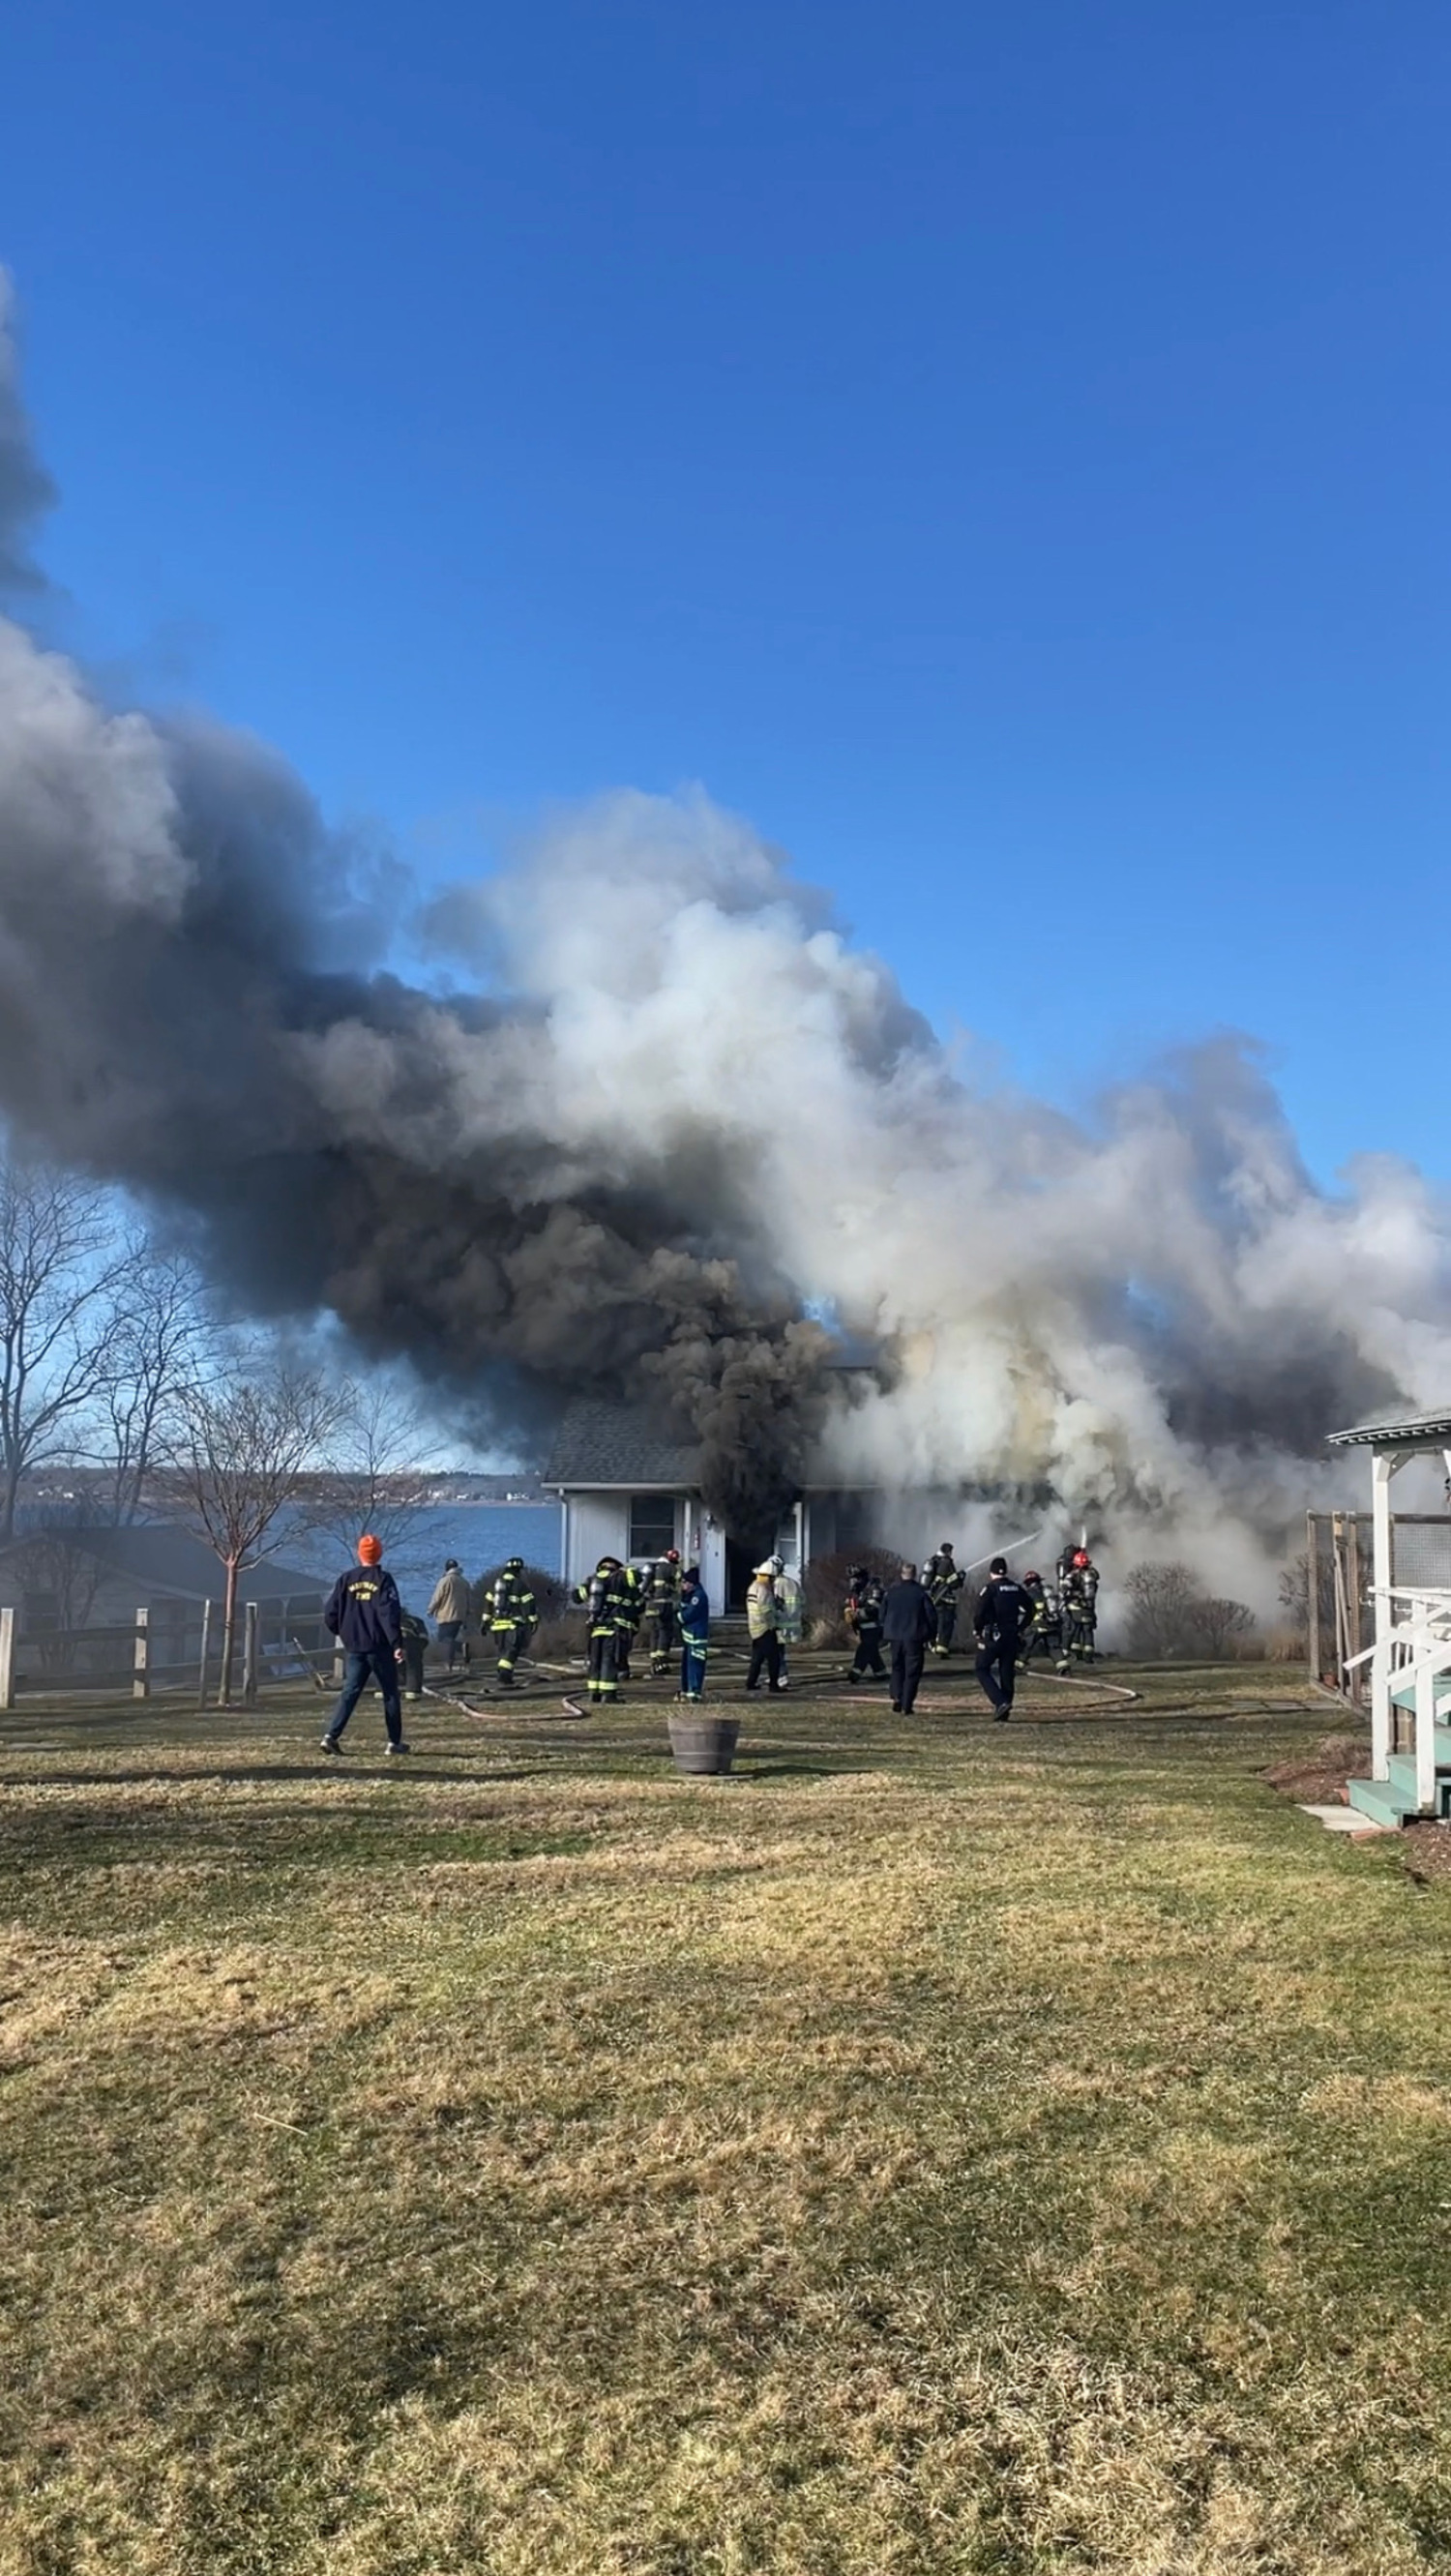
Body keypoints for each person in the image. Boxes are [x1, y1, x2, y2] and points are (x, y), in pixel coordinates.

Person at [320, 1533, 408, 1755]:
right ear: (379, 1554)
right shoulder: (383, 1580)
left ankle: (331, 1735)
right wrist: (397, 1643)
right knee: (389, 1693)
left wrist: (343, 1632)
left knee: (350, 1692)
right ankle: (394, 1742)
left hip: (354, 1647)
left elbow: (331, 1613)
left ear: (360, 1553)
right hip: (379, 1647)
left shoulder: (346, 1579)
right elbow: (389, 1613)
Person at [973, 1555, 1036, 1720]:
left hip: (994, 1636)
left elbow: (979, 1612)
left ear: (991, 1572)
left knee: (981, 1668)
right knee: (1006, 1672)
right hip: (1012, 1636)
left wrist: (977, 1630)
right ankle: (1005, 1709)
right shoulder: (1016, 1588)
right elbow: (1031, 1609)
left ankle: (1000, 1702)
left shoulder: (991, 1589)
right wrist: (1021, 1628)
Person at [573, 1555, 630, 1707]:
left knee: (595, 1662)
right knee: (608, 1661)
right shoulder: (619, 1578)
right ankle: (608, 1695)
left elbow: (576, 1597)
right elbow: (635, 1581)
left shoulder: (593, 1580)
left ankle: (594, 1694)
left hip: (596, 1628)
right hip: (613, 1627)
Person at [881, 1562, 933, 1713]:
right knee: (912, 1671)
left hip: (894, 1637)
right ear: (915, 1574)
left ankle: (897, 1697)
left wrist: (886, 1630)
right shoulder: (921, 1593)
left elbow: (882, 1613)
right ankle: (907, 1704)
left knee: (897, 1668)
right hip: (914, 1636)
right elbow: (931, 1616)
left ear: (901, 1574)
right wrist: (930, 1635)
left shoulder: (891, 1592)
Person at [485, 1556, 537, 1687]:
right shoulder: (520, 1585)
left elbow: (488, 1603)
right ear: (518, 1571)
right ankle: (504, 1676)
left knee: (502, 1652)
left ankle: (504, 1676)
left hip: (497, 1626)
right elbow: (528, 1605)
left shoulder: (496, 1585)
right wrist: (533, 1621)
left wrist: (485, 1622)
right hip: (513, 1625)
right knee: (511, 1652)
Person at [745, 1561, 787, 1693]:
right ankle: (773, 1685)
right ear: (768, 1577)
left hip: (754, 1628)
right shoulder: (764, 1590)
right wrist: (773, 1625)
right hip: (765, 1629)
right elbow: (766, 1611)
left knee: (757, 1658)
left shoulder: (753, 1587)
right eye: (773, 1578)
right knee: (774, 1658)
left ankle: (750, 1682)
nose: (774, 1581)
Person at [427, 1557, 472, 1671]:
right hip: (460, 1615)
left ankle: (451, 1661)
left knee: (445, 1639)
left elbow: (438, 1597)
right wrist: (468, 1613)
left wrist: (431, 1609)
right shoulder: (464, 1581)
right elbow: (469, 1599)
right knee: (450, 1638)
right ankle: (456, 1655)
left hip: (446, 1614)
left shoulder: (445, 1581)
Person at [844, 1564, 886, 1681]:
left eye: (855, 1578)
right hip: (864, 1627)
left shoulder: (874, 1589)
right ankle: (880, 1672)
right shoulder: (858, 1590)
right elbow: (853, 1604)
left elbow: (875, 1609)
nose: (853, 1581)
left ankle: (856, 1672)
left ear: (862, 1578)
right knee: (871, 1650)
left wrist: (857, 1614)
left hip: (875, 1627)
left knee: (865, 1649)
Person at [924, 1542, 966, 1656]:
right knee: (946, 1624)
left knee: (935, 1622)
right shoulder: (947, 1562)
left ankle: (932, 1644)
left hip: (933, 1598)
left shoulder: (934, 1560)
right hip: (945, 1599)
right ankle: (942, 1649)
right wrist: (960, 1577)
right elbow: (953, 1583)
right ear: (949, 1551)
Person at [1060, 1549, 1100, 1665]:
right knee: (1088, 1632)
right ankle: (1088, 1657)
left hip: (1075, 1608)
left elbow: (1064, 1588)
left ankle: (1075, 1654)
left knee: (1075, 1631)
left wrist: (1068, 1595)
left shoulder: (1073, 1575)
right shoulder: (1092, 1575)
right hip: (1089, 1609)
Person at [646, 1549, 682, 1673]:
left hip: (651, 1606)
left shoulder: (653, 1567)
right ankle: (661, 1661)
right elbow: (681, 1580)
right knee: (665, 1631)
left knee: (654, 1633)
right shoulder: (670, 1568)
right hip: (664, 1606)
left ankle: (654, 1659)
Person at [678, 1563, 710, 1702]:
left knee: (695, 1665)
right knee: (687, 1666)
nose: (682, 1585)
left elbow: (689, 1614)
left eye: (684, 1582)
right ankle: (687, 1690)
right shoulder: (691, 1595)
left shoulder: (698, 1596)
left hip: (697, 1637)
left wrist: (678, 1616)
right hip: (689, 1637)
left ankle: (695, 1692)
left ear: (691, 1583)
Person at [772, 1554, 803, 1689]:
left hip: (779, 1623)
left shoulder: (775, 1584)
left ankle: (782, 1676)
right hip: (793, 1623)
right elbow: (804, 1601)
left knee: (776, 1651)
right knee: (779, 1650)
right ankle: (776, 1675)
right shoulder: (794, 1583)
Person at [1017, 1569, 1058, 1671]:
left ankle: (1017, 1667)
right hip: (1051, 1624)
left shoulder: (1029, 1593)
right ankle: (1064, 1667)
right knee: (1054, 1647)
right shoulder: (1046, 1591)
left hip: (1037, 1624)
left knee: (1026, 1645)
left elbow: (1023, 1610)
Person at [615, 1561, 646, 1682]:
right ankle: (622, 1672)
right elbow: (640, 1606)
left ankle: (620, 1672)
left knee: (618, 1651)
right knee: (622, 1651)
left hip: (617, 1625)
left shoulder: (617, 1585)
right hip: (626, 1626)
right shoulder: (632, 1590)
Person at [399, 1607, 429, 1701]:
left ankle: (382, 1691)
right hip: (413, 1643)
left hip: (390, 1644)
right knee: (414, 1667)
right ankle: (413, 1691)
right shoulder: (416, 1621)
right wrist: (419, 1650)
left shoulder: (385, 1621)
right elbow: (424, 1638)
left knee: (383, 1666)